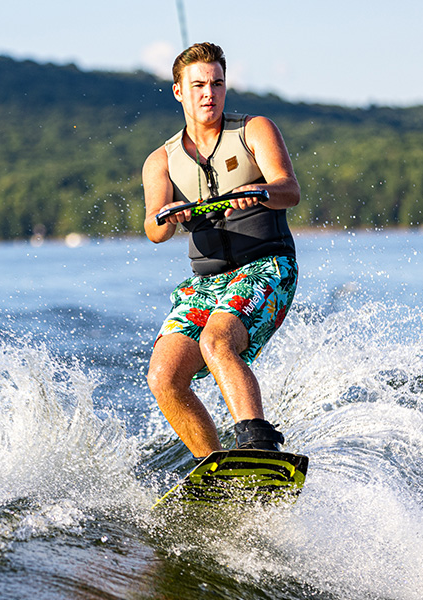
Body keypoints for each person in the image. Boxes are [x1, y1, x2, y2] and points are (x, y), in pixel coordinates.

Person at [142, 42, 300, 462]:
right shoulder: (161, 160)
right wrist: (168, 216)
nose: (208, 93)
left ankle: (260, 445)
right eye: (198, 85)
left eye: (216, 83)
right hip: (206, 284)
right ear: (179, 91)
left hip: (266, 268)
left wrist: (260, 191)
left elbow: (290, 190)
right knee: (164, 376)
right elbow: (152, 230)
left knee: (216, 342)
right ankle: (214, 467)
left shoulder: (254, 130)